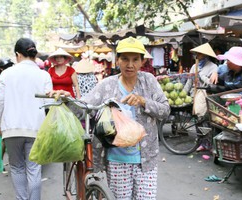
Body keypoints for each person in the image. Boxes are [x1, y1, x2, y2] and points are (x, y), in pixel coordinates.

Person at [50, 36, 170, 199]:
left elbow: (165, 110)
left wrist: (143, 101)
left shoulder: (148, 81)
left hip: (146, 159)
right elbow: (84, 107)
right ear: (117, 60)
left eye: (135, 59)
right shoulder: (107, 85)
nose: (130, 64)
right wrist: (66, 98)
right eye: (125, 59)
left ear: (142, 62)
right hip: (117, 159)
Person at [0, 38, 53, 200]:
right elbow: (49, 104)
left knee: (17, 168)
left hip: (11, 129)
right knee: (34, 169)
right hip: (35, 129)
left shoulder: (6, 74)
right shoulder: (43, 75)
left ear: (18, 55)